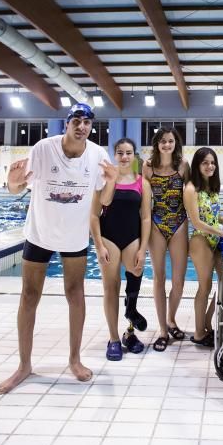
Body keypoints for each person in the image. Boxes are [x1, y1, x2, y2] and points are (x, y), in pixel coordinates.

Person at [0, 103, 115, 394]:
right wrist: (11, 183)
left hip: (74, 237)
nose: (82, 126)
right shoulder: (43, 148)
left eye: (87, 122)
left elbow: (106, 201)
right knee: (29, 295)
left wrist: (111, 182)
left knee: (75, 294)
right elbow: (16, 187)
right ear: (67, 123)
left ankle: (75, 359)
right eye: (77, 120)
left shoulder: (98, 155)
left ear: (91, 126)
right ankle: (24, 365)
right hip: (39, 233)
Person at [90, 138, 152, 360]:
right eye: (120, 153)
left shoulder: (142, 182)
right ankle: (114, 338)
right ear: (114, 155)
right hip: (109, 238)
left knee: (135, 275)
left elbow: (146, 218)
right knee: (111, 288)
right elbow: (95, 214)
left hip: (132, 237)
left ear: (134, 155)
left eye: (128, 153)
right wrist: (99, 246)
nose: (125, 157)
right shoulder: (105, 179)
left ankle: (130, 331)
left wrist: (143, 248)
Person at [142, 127, 190, 351]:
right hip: (156, 225)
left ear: (175, 144)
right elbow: (143, 199)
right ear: (157, 144)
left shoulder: (183, 166)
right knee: (159, 279)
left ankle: (171, 320)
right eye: (163, 141)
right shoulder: (148, 167)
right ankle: (162, 330)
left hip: (179, 223)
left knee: (178, 282)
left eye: (170, 141)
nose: (167, 145)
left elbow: (191, 195)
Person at [184, 147, 223, 346]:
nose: (210, 166)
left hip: (215, 239)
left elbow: (213, 214)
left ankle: (208, 322)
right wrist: (221, 231)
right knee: (205, 286)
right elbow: (196, 221)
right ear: (197, 165)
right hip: (201, 239)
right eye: (205, 163)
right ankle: (199, 332)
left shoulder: (211, 187)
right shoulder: (192, 189)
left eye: (212, 162)